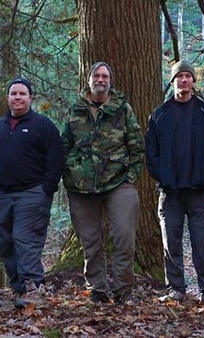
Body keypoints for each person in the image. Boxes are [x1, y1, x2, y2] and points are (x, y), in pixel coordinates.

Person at [61, 61, 144, 304]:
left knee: (123, 237)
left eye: (105, 76)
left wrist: (131, 176)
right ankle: (97, 289)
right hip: (81, 187)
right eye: (96, 75)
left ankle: (123, 290)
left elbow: (137, 146)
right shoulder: (76, 110)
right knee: (90, 240)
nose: (100, 80)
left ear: (110, 81)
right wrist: (70, 174)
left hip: (118, 183)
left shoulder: (122, 109)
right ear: (89, 80)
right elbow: (64, 146)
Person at [0, 78, 65, 309]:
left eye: (22, 93)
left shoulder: (42, 125)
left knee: (25, 239)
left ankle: (33, 287)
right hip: (2, 195)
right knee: (6, 242)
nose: (17, 97)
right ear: (8, 98)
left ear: (31, 98)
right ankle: (18, 289)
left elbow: (56, 158)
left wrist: (47, 187)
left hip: (32, 193)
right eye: (13, 93)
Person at [145, 60, 204, 306]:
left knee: (202, 242)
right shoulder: (160, 114)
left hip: (198, 191)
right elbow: (151, 152)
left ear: (193, 81)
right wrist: (163, 177)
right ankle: (176, 289)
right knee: (170, 243)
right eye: (180, 77)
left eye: (188, 76)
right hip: (170, 192)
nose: (184, 80)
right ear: (173, 81)